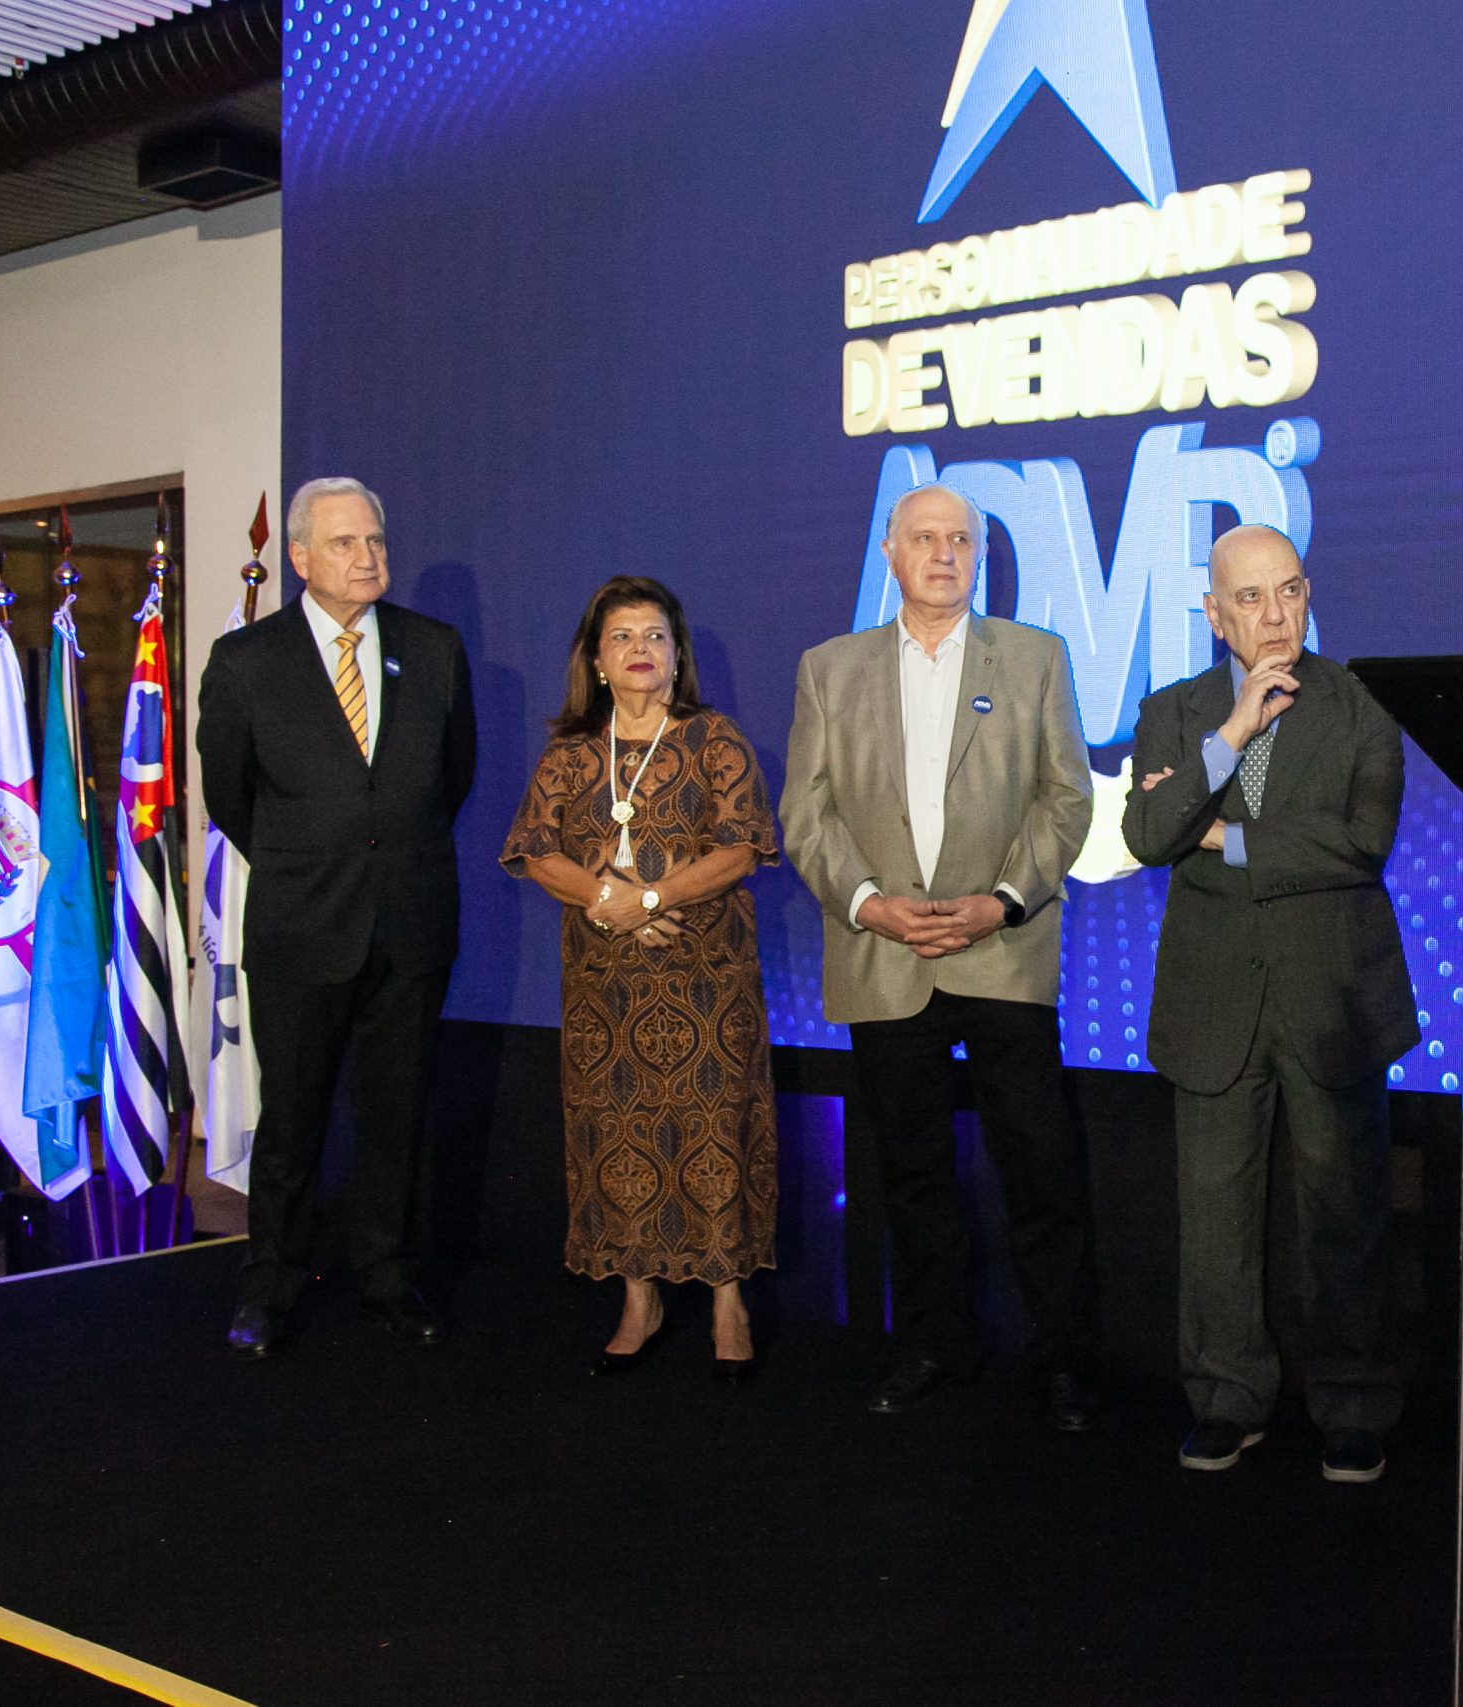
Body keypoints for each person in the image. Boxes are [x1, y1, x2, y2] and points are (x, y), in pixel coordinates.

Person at [777, 483, 1100, 1430]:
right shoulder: (828, 668)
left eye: (962, 539)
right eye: (925, 537)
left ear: (980, 555)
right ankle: (935, 1343)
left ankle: (1062, 1358)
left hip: (1001, 948)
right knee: (912, 1169)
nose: (945, 553)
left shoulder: (1036, 657)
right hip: (885, 955)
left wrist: (1000, 902)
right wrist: (869, 905)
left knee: (1039, 1166)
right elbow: (806, 812)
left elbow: (1067, 798)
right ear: (891, 552)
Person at [1123, 524, 1419, 1484]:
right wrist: (1231, 737)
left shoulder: (1361, 704)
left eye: (1289, 590)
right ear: (1216, 615)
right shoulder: (1174, 712)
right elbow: (1148, 830)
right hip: (1213, 993)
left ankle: (1355, 1405)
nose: (1275, 614)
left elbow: (1361, 841)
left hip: (1332, 992)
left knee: (1345, 1212)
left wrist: (1221, 837)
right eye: (1250, 598)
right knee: (1214, 1219)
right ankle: (1225, 1400)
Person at [198, 476, 478, 1358]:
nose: (368, 558)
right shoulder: (245, 661)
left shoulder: (434, 649)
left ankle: (385, 1279)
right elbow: (230, 797)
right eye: (346, 543)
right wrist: (313, 856)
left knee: (395, 1117)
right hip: (301, 928)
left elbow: (451, 778)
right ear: (300, 557)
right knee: (292, 1123)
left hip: (411, 925)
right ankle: (270, 1286)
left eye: (376, 541)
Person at [500, 576, 779, 1379]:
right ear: (595, 659)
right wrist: (607, 902)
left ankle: (727, 1301)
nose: (640, 650)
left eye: (656, 635)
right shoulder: (571, 752)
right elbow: (534, 849)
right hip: (606, 989)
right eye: (622, 637)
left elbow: (742, 846)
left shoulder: (714, 739)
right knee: (616, 1135)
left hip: (706, 980)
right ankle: (638, 1298)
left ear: (678, 654)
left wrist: (650, 898)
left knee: (715, 1134)